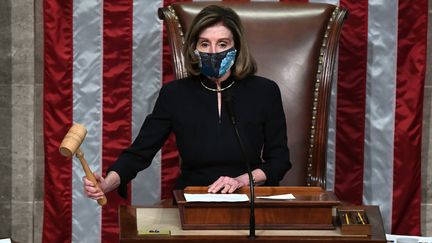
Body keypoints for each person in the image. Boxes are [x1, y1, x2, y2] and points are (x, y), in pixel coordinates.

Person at [83, 5, 291, 201]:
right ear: (194, 49)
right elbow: (141, 151)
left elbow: (279, 161)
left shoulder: (265, 91)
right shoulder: (175, 94)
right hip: (193, 198)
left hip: (249, 196)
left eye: (222, 44)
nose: (213, 51)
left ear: (236, 47)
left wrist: (241, 180)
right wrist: (108, 183)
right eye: (204, 43)